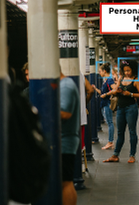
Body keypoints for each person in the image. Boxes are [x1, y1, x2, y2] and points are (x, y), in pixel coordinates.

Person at [103, 60, 139, 164]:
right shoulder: (121, 78)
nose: (126, 73)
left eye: (128, 70)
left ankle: (132, 155)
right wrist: (115, 91)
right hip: (120, 108)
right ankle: (115, 155)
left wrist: (130, 94)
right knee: (120, 132)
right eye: (125, 70)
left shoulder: (136, 80)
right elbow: (116, 89)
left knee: (132, 132)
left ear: (133, 70)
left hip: (131, 108)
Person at [59, 70, 80, 205]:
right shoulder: (63, 85)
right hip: (63, 139)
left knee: (65, 182)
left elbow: (65, 113)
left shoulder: (65, 86)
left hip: (65, 140)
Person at [92, 63, 116, 150]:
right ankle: (110, 141)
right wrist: (95, 89)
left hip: (107, 104)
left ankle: (110, 142)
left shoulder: (109, 80)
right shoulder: (105, 80)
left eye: (100, 71)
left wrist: (106, 94)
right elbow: (102, 93)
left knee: (110, 123)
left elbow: (115, 89)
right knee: (109, 122)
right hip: (104, 103)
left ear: (104, 71)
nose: (99, 72)